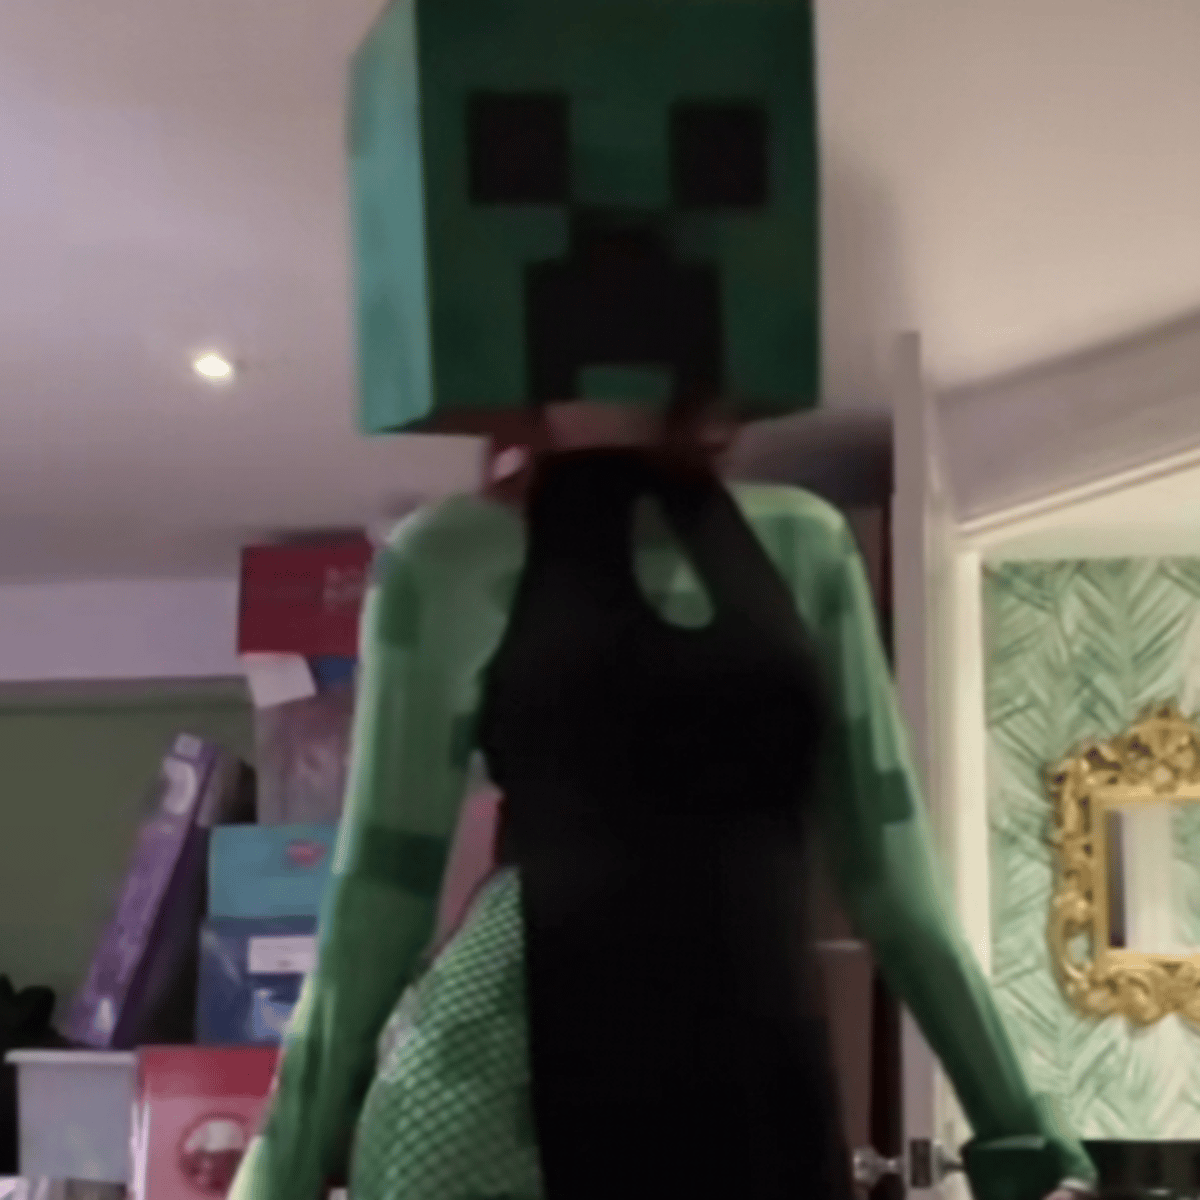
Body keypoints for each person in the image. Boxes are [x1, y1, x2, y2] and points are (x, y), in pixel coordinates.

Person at [228, 393, 1099, 1200]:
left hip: (757, 1073)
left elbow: (898, 883)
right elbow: (379, 901)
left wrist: (1019, 1136)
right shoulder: (449, 555)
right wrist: (280, 1172)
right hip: (506, 1096)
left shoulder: (806, 541)